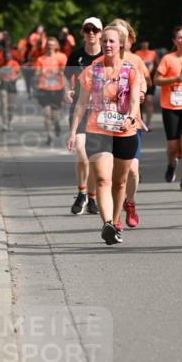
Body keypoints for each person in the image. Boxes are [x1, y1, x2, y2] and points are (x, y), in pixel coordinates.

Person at [66, 25, 141, 246]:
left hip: (124, 131)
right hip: (98, 130)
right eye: (105, 41)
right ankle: (107, 222)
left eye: (111, 41)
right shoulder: (91, 71)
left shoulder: (130, 70)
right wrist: (73, 131)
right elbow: (81, 104)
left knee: (119, 182)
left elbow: (135, 101)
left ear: (120, 44)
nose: (107, 45)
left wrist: (130, 118)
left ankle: (116, 220)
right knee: (102, 178)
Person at [109, 18, 150, 229]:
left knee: (132, 171)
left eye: (123, 35)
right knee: (110, 174)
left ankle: (130, 203)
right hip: (105, 125)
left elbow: (143, 82)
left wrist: (141, 92)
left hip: (130, 123)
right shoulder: (103, 61)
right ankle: (113, 215)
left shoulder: (135, 60)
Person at [65, 17, 103, 215]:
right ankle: (82, 194)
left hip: (100, 111)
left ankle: (93, 197)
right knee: (82, 152)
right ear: (82, 32)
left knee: (95, 157)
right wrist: (67, 90)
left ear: (100, 33)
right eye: (87, 29)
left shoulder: (106, 55)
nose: (91, 33)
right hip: (79, 108)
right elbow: (66, 77)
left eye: (95, 30)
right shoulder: (76, 56)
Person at [154, 26, 182, 190]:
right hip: (170, 106)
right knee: (172, 146)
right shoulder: (168, 59)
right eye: (180, 37)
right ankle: (171, 165)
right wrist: (176, 79)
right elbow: (157, 80)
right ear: (174, 41)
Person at [34, 37, 69, 145]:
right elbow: (36, 73)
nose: (50, 47)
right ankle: (49, 136)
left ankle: (57, 124)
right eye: (48, 44)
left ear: (56, 46)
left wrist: (66, 89)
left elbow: (66, 72)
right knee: (46, 114)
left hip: (57, 89)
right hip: (44, 89)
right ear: (46, 46)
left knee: (55, 115)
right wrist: (41, 72)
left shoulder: (61, 57)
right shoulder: (41, 59)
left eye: (52, 45)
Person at [0, 39, 21, 131]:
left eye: (8, 54)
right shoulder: (1, 63)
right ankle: (4, 124)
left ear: (11, 55)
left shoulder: (15, 63)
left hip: (12, 86)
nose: (7, 56)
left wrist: (14, 78)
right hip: (3, 85)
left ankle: (9, 123)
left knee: (11, 107)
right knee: (4, 105)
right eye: (5, 55)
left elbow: (18, 75)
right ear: (4, 56)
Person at [135, 39, 157, 131]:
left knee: (149, 100)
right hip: (139, 80)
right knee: (140, 102)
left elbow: (156, 65)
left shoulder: (152, 53)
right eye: (143, 42)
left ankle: (148, 124)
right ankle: (140, 122)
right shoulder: (137, 53)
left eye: (146, 42)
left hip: (150, 79)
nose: (145, 43)